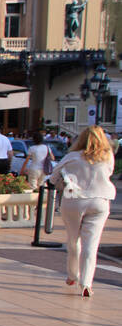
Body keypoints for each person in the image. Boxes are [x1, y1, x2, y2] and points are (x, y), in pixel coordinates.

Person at [48, 125, 116, 297]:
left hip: (74, 199)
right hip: (100, 200)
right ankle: (86, 283)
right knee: (91, 245)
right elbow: (109, 173)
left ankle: (72, 275)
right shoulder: (107, 157)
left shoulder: (72, 157)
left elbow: (54, 176)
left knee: (73, 240)